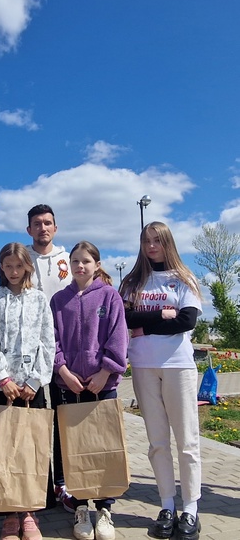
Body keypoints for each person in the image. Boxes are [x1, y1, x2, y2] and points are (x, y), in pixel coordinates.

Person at [119, 222, 202, 540]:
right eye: (146, 241)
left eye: (157, 240)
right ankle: (167, 504)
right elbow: (124, 318)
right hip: (142, 366)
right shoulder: (133, 281)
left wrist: (144, 326)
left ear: (168, 243)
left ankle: (191, 508)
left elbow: (186, 321)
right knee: (157, 442)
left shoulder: (184, 279)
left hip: (178, 367)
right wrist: (159, 316)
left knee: (188, 442)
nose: (151, 246)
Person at [50, 241, 128, 540]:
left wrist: (106, 370)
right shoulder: (59, 300)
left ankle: (105, 509)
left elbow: (119, 336)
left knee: (105, 446)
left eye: (85, 261)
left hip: (102, 385)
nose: (80, 266)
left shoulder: (109, 296)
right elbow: (53, 340)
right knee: (75, 449)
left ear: (97, 264)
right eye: (74, 261)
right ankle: (81, 506)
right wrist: (63, 371)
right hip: (69, 385)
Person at [0, 242, 56, 540]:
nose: (13, 272)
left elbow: (47, 342)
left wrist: (35, 381)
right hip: (6, 388)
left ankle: (30, 512)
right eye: (7, 266)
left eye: (18, 266)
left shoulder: (39, 299)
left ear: (28, 267)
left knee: (31, 448)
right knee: (3, 449)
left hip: (31, 388)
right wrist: (4, 378)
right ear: (1, 268)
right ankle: (9, 514)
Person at [26, 204, 73, 513]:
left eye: (48, 223)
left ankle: (62, 483)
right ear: (29, 230)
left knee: (62, 418)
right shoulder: (21, 258)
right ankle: (35, 482)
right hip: (29, 351)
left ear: (55, 228)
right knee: (33, 418)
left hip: (61, 349)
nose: (43, 228)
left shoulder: (67, 260)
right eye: (37, 224)